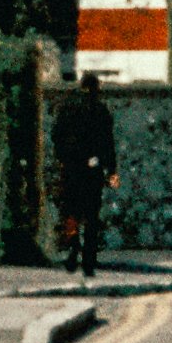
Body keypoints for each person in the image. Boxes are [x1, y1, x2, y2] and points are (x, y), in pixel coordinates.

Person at [51, 71, 117, 280]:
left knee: (70, 213)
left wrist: (62, 158)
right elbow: (108, 143)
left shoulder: (67, 108)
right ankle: (88, 259)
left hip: (71, 168)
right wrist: (112, 170)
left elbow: (56, 136)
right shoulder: (101, 110)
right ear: (96, 87)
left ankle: (72, 248)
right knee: (91, 216)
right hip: (92, 168)